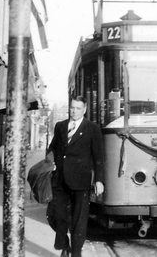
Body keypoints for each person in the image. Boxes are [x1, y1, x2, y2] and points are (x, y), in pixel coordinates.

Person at [48, 96, 105, 257]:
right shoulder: (60, 126)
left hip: (81, 180)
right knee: (56, 215)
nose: (74, 111)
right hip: (59, 179)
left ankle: (76, 252)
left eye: (78, 108)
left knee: (79, 220)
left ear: (84, 110)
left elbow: (98, 156)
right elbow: (52, 148)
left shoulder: (92, 128)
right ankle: (64, 244)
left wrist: (99, 180)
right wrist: (50, 162)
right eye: (72, 108)